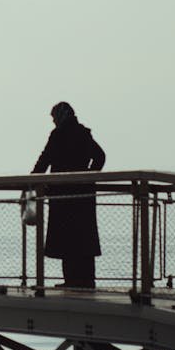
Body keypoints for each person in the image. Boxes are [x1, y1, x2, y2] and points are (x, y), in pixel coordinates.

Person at [31, 101, 106, 288]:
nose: (54, 121)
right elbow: (100, 156)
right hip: (83, 195)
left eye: (54, 117)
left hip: (62, 194)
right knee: (84, 238)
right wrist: (87, 176)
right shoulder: (83, 134)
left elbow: (45, 159)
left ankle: (71, 281)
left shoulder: (58, 135)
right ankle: (87, 281)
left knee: (66, 239)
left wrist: (31, 179)